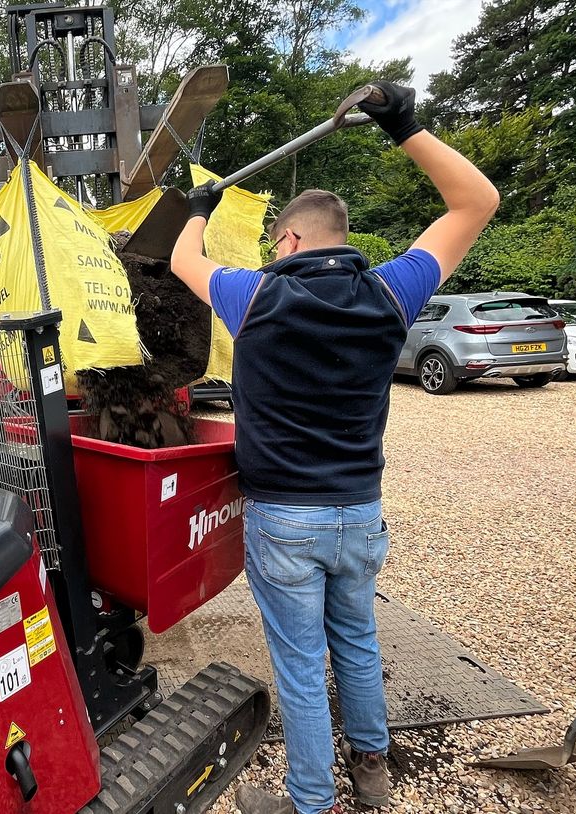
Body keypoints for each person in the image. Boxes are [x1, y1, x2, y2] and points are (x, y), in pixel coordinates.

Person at [170, 81, 499, 814]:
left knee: (297, 664)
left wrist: (198, 210)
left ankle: (311, 800)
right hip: (360, 515)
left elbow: (181, 258)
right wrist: (404, 126)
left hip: (286, 520)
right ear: (342, 237)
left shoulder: (253, 295)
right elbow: (477, 203)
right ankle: (372, 774)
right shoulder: (391, 291)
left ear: (286, 241)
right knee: (356, 640)